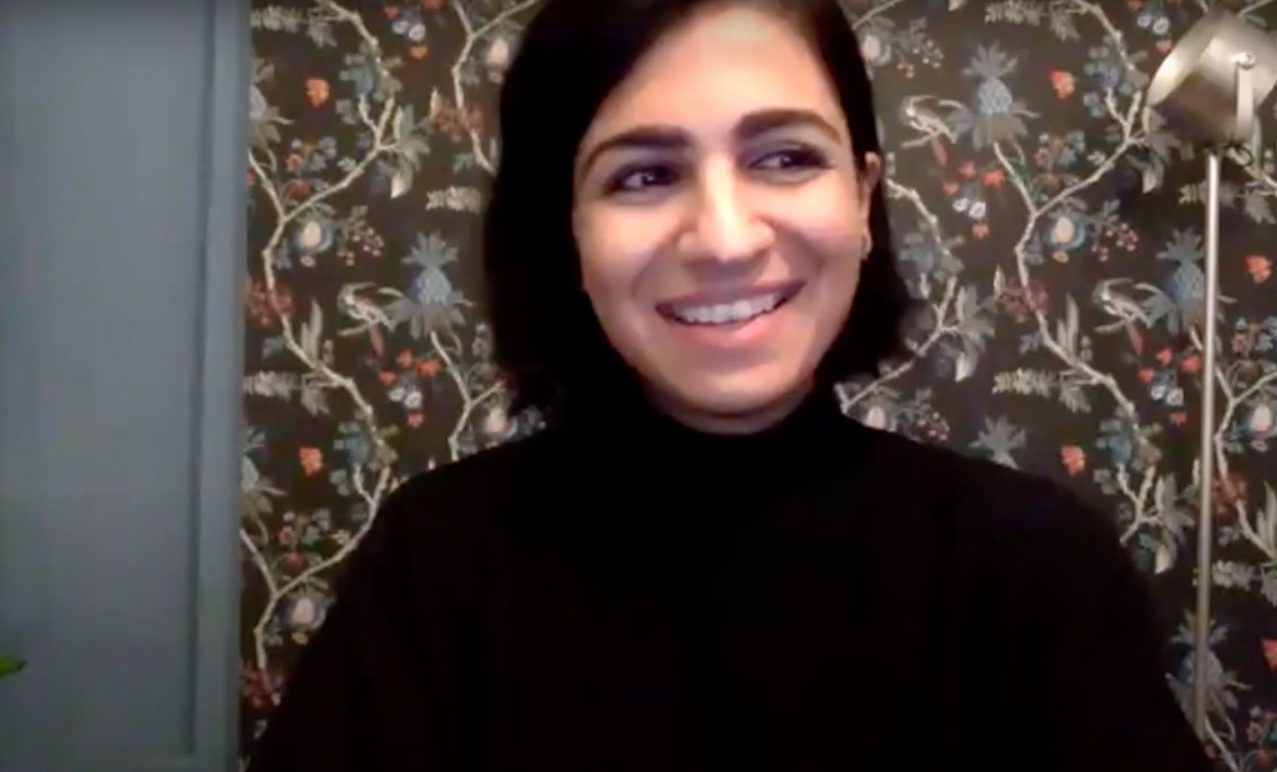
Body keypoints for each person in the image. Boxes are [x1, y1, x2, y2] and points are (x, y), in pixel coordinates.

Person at [245, 0, 1213, 769]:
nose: (723, 237)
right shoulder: (438, 567)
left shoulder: (1028, 569)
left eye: (784, 158)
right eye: (641, 175)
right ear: (566, 232)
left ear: (864, 199)